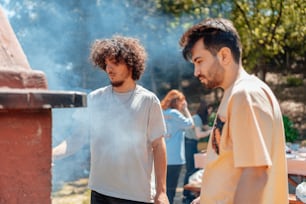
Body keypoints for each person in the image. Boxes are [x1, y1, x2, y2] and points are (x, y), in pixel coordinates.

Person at [179, 18, 288, 204]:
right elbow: (231, 167)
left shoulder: (245, 95)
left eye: (199, 61)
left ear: (224, 56)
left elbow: (255, 174)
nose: (196, 72)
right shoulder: (237, 94)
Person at [52, 35, 169, 204]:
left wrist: (161, 192)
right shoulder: (94, 98)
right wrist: (50, 155)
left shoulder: (148, 101)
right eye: (106, 64)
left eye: (115, 63)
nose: (109, 69)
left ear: (131, 64)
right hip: (100, 192)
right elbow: (76, 139)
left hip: (136, 196)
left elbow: (158, 146)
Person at [160, 89, 194, 204]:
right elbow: (191, 124)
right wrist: (185, 109)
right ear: (177, 102)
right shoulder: (176, 114)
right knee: (171, 189)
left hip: (162, 157)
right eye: (181, 102)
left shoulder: (161, 112)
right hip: (175, 159)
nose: (182, 104)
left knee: (161, 189)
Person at [182, 100, 211, 204]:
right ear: (206, 109)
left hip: (191, 143)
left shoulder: (198, 119)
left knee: (192, 169)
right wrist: (210, 132)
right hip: (189, 143)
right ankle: (186, 195)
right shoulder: (197, 119)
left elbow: (206, 128)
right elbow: (199, 134)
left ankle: (188, 194)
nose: (210, 112)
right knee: (190, 169)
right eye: (209, 109)